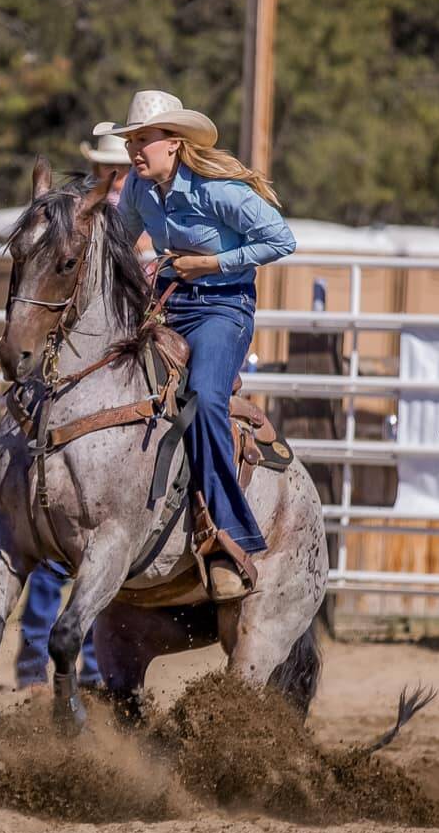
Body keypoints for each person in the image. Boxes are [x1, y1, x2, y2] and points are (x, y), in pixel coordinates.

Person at [107, 89, 297, 600]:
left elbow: (281, 239)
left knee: (206, 398)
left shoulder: (217, 191)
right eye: (131, 142)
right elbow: (116, 242)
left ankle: (230, 535)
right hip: (168, 304)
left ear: (173, 143)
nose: (134, 151)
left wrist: (211, 264)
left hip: (222, 309)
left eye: (143, 140)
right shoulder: (138, 192)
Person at [13, 122, 132, 688]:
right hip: (72, 352)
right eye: (113, 167)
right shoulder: (72, 211)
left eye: (124, 165)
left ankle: (79, 659)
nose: (118, 175)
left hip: (121, 343)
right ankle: (35, 652)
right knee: (38, 480)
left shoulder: (140, 208)